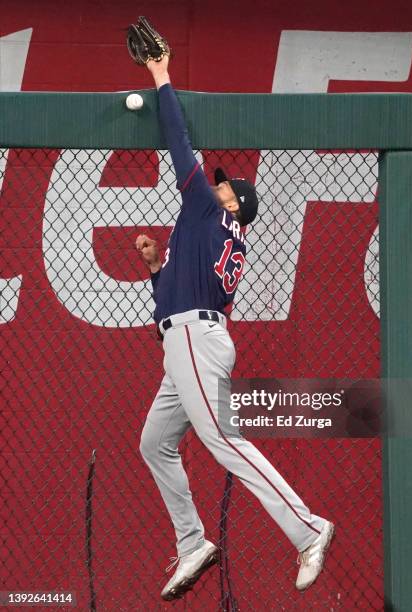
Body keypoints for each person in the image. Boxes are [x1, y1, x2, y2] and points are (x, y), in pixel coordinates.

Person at [136, 54, 334, 602]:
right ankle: (192, 541)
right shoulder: (211, 232)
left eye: (226, 187)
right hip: (188, 338)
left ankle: (308, 527)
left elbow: (177, 140)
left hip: (197, 341)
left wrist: (161, 76)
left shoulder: (206, 209)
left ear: (233, 204)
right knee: (155, 443)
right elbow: (173, 303)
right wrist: (157, 269)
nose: (216, 184)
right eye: (219, 183)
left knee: (223, 439)